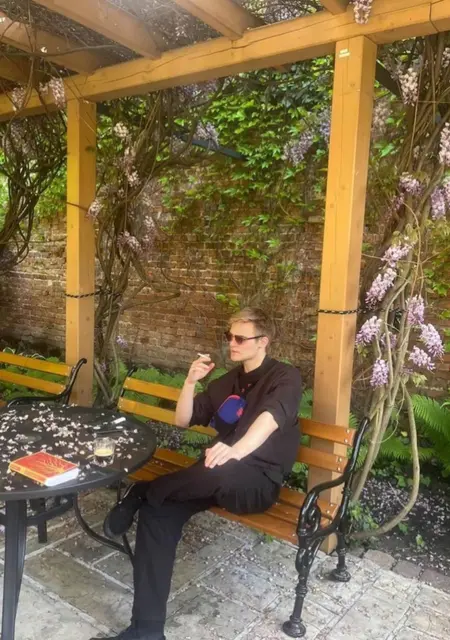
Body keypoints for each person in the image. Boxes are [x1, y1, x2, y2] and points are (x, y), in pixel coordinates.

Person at [94, 308, 302, 640]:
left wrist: (236, 450)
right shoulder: (228, 381)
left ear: (263, 341)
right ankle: (146, 630)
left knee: (213, 471)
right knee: (157, 511)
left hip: (256, 481)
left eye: (240, 338)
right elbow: (183, 420)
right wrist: (190, 382)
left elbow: (270, 418)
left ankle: (142, 490)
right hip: (212, 474)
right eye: (229, 336)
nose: (232, 343)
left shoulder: (285, 377)